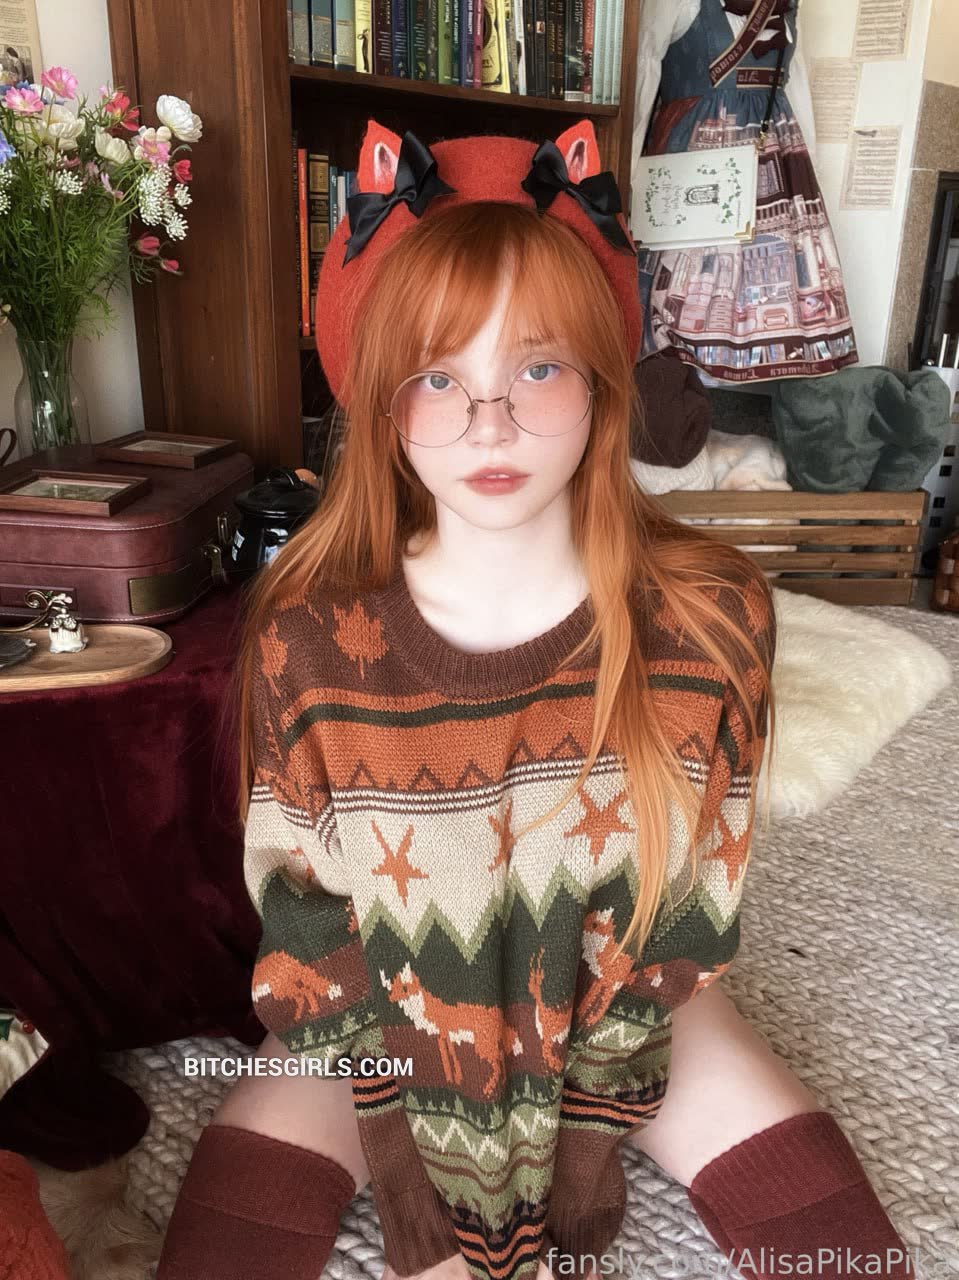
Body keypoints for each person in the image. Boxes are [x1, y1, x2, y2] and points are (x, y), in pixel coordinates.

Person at [156, 118, 911, 1280]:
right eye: (438, 376)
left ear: (602, 373)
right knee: (219, 1242)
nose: (489, 422)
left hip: (621, 1004)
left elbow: (684, 915)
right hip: (385, 1022)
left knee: (848, 1253)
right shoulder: (307, 640)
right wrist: (410, 1183)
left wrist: (583, 1142)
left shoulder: (712, 620)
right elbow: (310, 925)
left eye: (537, 367)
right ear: (375, 393)